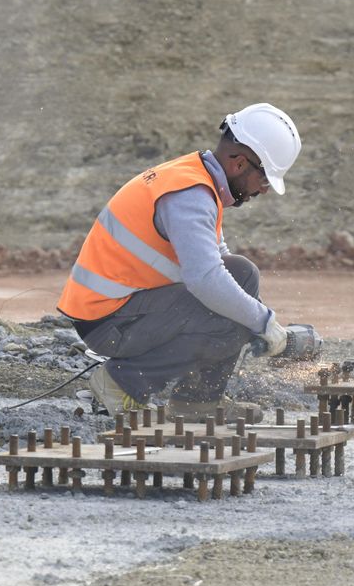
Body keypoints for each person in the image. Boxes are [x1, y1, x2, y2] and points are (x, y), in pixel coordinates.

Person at [57, 103, 302, 416]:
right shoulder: (190, 196)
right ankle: (121, 383)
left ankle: (198, 402)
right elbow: (206, 280)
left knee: (243, 277)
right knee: (235, 319)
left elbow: (223, 267)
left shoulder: (195, 179)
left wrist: (257, 317)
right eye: (265, 179)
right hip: (108, 321)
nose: (264, 190)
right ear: (240, 163)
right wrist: (263, 323)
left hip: (121, 308)